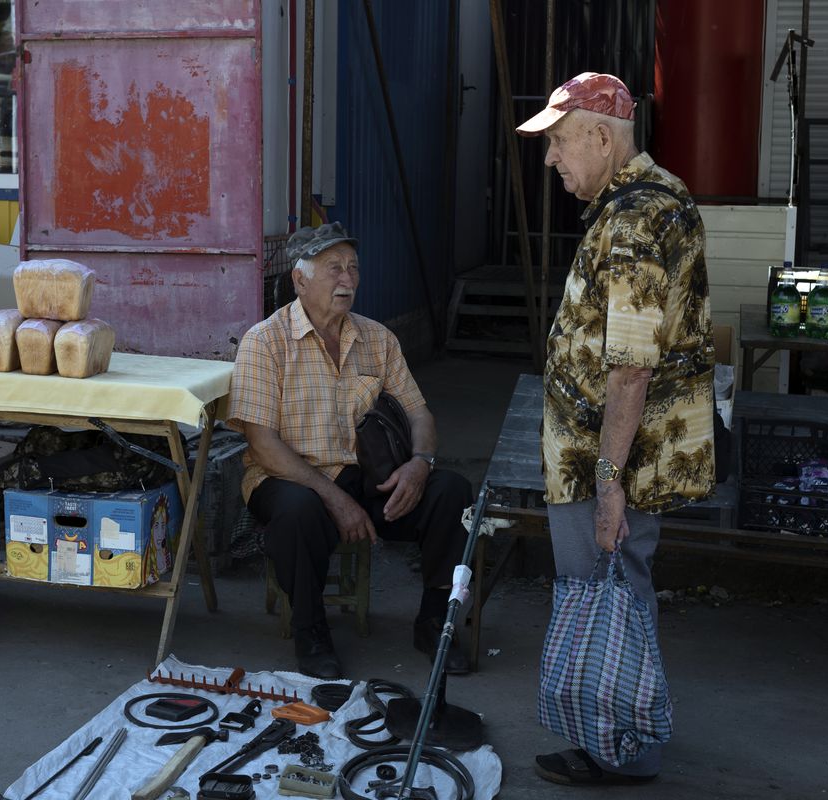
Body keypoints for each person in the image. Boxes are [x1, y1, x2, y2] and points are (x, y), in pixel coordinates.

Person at [517, 72, 715, 786]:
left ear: (602, 138)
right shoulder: (646, 201)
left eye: (560, 143)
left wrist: (606, 488)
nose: (551, 160)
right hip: (614, 457)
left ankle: (620, 750)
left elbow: (630, 370)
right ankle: (622, 737)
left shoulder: (633, 220)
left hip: (605, 464)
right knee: (614, 591)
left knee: (607, 594)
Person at [227, 222, 473, 680]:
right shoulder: (264, 342)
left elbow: (419, 414)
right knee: (298, 512)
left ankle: (434, 619)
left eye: (353, 268)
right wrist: (334, 497)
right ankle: (311, 630)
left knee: (452, 492)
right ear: (300, 280)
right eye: (333, 269)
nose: (347, 279)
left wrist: (420, 465)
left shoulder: (377, 339)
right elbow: (262, 443)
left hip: (368, 477)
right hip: (289, 478)